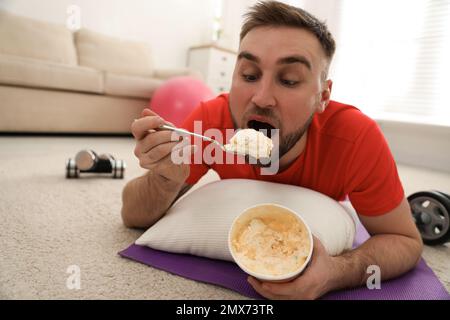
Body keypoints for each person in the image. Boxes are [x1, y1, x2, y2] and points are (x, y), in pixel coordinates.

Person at [121, 0, 423, 299]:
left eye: (289, 80)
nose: (262, 98)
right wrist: (165, 179)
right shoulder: (211, 121)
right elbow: (132, 216)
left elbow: (404, 240)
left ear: (323, 95)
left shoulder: (356, 138)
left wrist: (337, 272)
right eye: (249, 75)